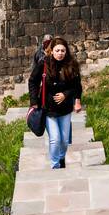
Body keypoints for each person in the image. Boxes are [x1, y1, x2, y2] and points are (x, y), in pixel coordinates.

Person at [28, 36, 82, 170]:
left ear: (66, 51)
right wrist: (34, 101)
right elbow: (33, 81)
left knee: (64, 141)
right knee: (55, 139)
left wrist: (69, 96)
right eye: (57, 50)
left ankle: (61, 158)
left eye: (63, 51)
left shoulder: (71, 64)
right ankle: (55, 166)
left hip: (65, 109)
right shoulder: (44, 64)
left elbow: (77, 85)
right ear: (51, 51)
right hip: (48, 108)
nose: (60, 53)